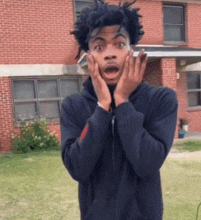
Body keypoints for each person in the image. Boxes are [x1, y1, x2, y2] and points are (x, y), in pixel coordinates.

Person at [60, 0, 178, 219]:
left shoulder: (162, 99)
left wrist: (122, 101)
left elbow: (148, 163)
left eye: (119, 44)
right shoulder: (73, 106)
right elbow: (78, 168)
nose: (110, 54)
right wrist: (102, 108)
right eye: (99, 46)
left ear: (130, 51)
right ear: (89, 56)